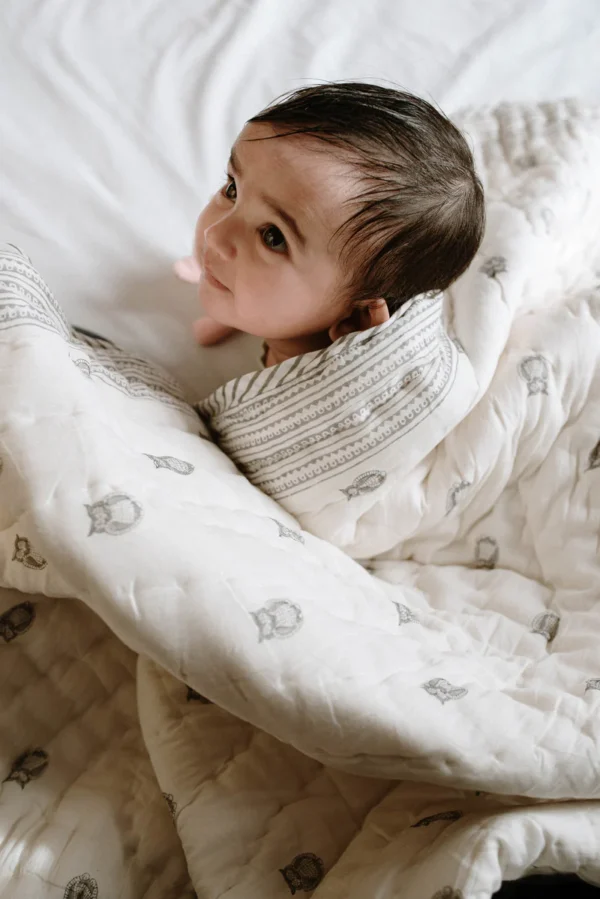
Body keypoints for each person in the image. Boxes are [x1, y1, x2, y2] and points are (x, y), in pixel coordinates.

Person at [174, 81, 485, 368]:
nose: (214, 234)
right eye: (233, 189)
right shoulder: (290, 307)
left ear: (355, 320)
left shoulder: (302, 384)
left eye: (272, 237)